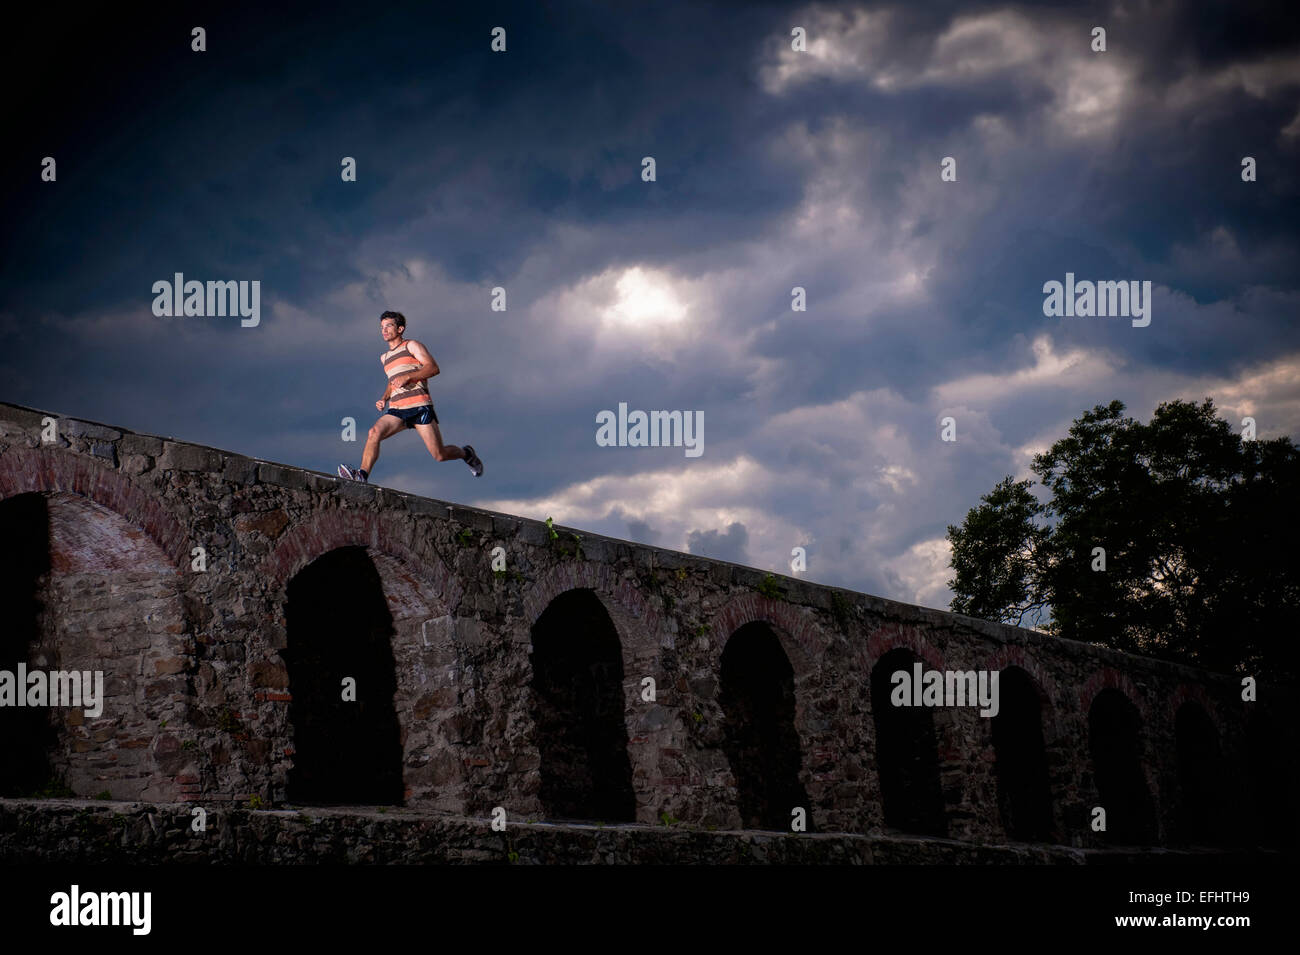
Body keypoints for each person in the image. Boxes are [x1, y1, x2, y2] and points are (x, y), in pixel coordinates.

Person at [338, 310, 483, 483]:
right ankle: (362, 475)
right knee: (374, 432)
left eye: (388, 326)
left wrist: (409, 377)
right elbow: (392, 381)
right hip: (397, 409)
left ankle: (466, 453)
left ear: (400, 329)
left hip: (419, 406)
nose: (384, 330)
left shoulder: (411, 346)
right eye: (381, 327)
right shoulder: (384, 357)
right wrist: (384, 398)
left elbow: (433, 368)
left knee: (439, 454)